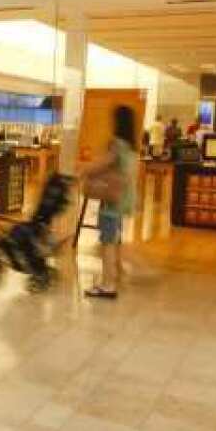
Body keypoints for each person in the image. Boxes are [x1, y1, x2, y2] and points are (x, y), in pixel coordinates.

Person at [82, 105, 137, 300]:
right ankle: (115, 274)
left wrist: (82, 169)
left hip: (112, 200)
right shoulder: (131, 147)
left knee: (107, 242)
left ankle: (107, 285)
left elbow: (101, 165)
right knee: (113, 238)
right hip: (124, 199)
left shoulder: (117, 144)